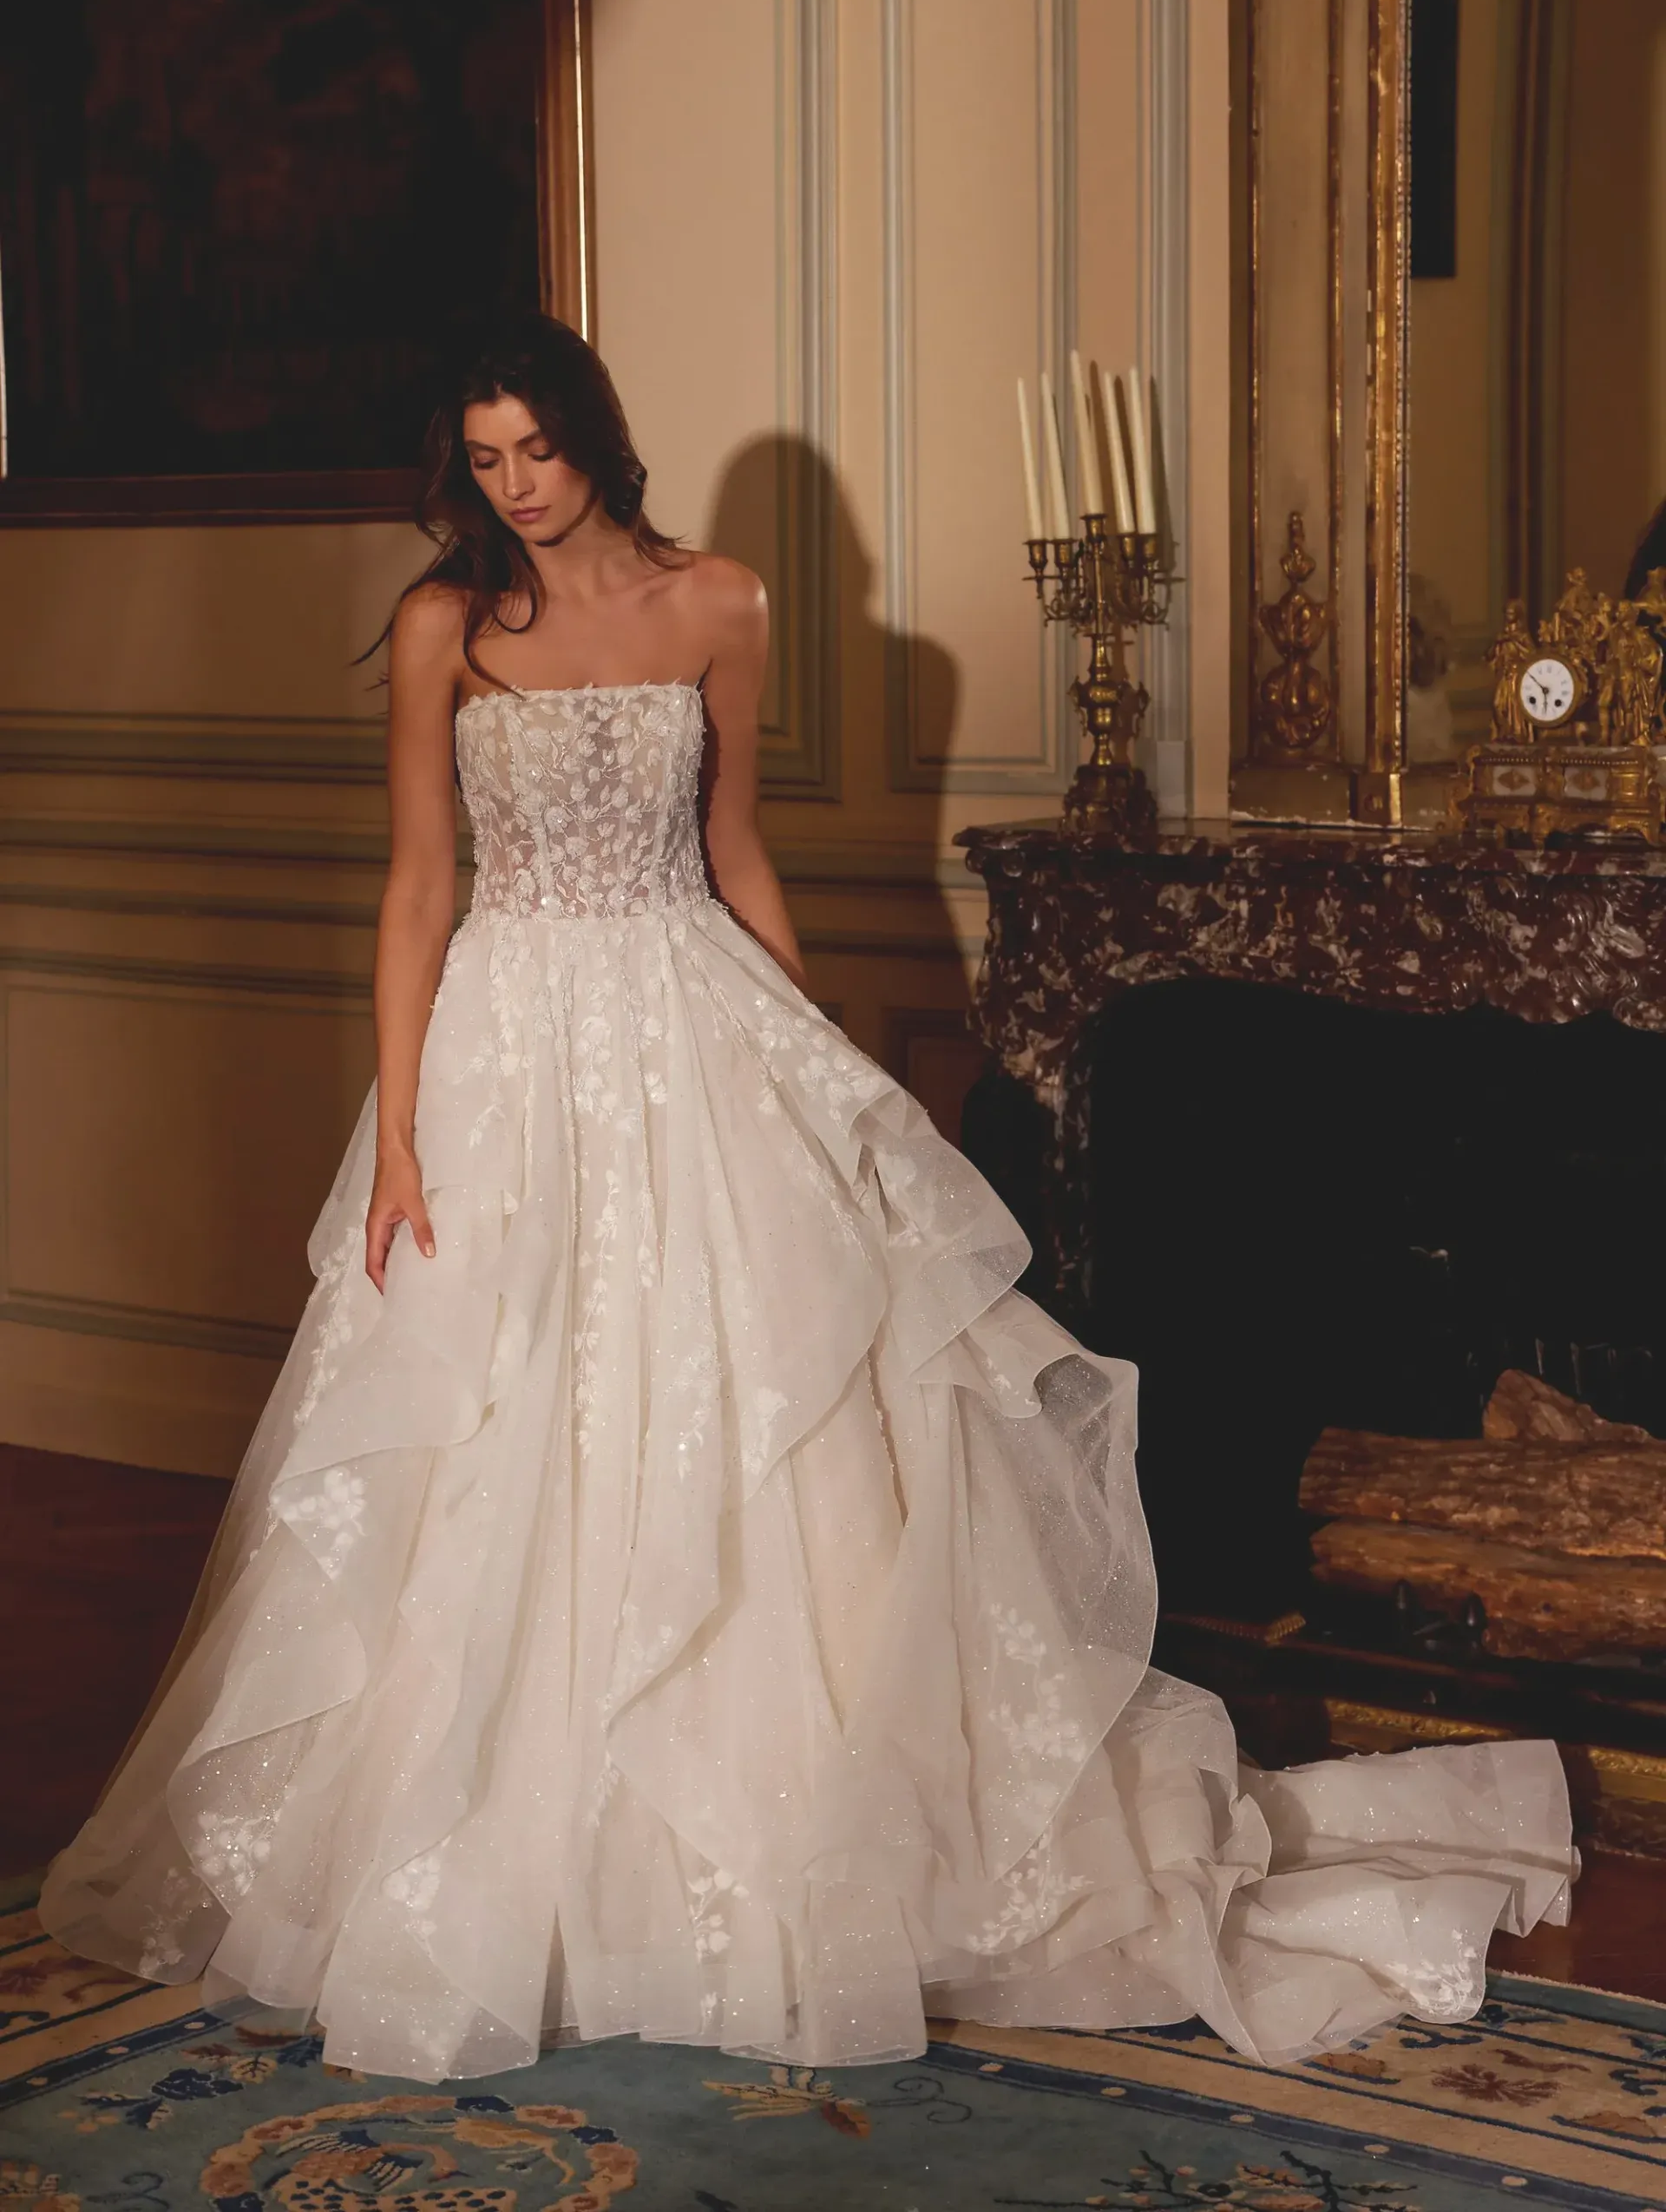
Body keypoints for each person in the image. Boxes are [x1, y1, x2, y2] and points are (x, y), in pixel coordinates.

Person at [40, 316, 1573, 2084]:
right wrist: (396, 1134)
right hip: (505, 1057)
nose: (515, 485)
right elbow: (416, 890)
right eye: (485, 457)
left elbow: (735, 847)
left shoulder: (721, 603)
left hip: (692, 1022)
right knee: (494, 1423)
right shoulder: (445, 630)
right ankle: (495, 1862)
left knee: (765, 1423)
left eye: (538, 448)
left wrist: (821, 1072)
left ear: (595, 436)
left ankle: (782, 1844)